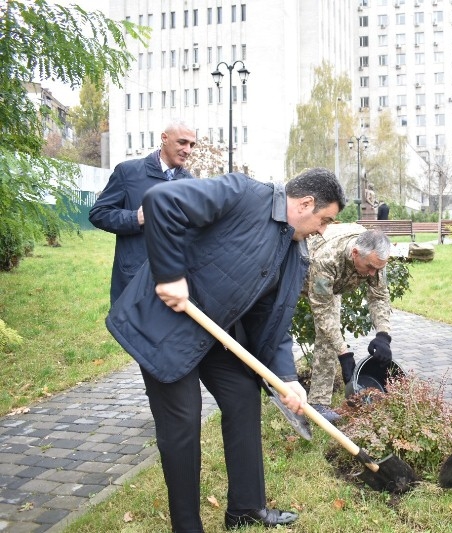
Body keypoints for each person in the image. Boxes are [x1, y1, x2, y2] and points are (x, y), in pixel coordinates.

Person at [105, 168, 345, 531]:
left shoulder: (294, 252)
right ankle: (187, 527)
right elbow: (161, 201)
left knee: (243, 397)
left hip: (216, 332)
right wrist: (170, 276)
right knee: (183, 424)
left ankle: (245, 509)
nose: (323, 229)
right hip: (166, 324)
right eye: (324, 219)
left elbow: (274, 321)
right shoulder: (243, 193)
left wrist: (287, 378)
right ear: (306, 203)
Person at [89, 119, 197, 305]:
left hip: (174, 282)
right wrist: (135, 218)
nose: (188, 150)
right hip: (134, 277)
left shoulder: (191, 184)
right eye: (182, 142)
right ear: (164, 138)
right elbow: (99, 213)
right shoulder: (128, 172)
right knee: (130, 333)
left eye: (192, 145)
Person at [304, 224, 393, 422]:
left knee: (328, 337)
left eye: (377, 268)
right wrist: (344, 354)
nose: (373, 273)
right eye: (369, 267)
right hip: (302, 277)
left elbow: (379, 296)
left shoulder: (374, 258)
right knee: (326, 332)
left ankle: (318, 404)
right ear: (354, 253)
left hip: (332, 287)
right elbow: (322, 309)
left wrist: (383, 335)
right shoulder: (327, 259)